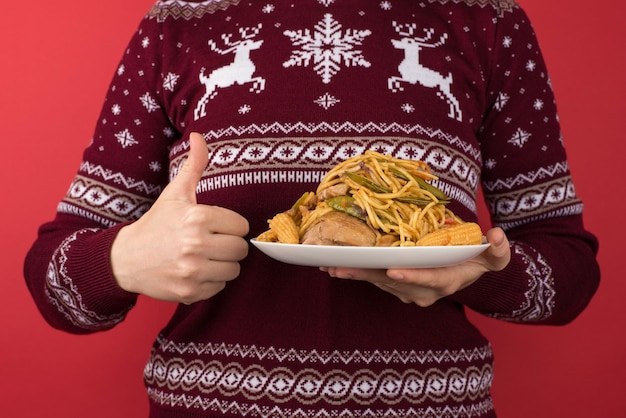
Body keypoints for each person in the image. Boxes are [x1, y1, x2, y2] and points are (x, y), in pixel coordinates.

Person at [24, 0, 600, 416]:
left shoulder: (486, 21)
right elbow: (55, 286)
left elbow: (569, 274)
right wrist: (123, 260)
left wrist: (480, 273)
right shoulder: (178, 24)